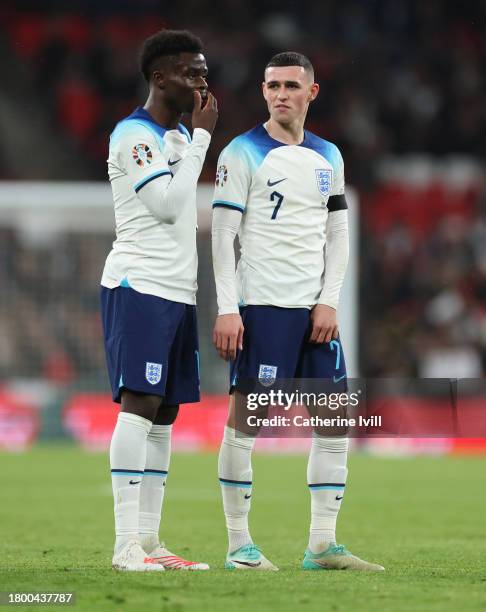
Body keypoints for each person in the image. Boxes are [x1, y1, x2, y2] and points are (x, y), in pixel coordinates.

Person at [211, 52, 384, 571]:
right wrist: (227, 308)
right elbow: (223, 235)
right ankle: (239, 546)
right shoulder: (240, 152)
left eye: (290, 85)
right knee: (247, 424)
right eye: (272, 85)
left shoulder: (329, 154)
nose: (280, 94)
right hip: (263, 307)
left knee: (334, 422)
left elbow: (338, 234)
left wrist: (328, 299)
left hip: (315, 312)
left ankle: (321, 545)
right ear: (263, 91)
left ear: (311, 92)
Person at [100, 29, 217, 572]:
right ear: (159, 77)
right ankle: (125, 545)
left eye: (203, 71)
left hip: (177, 290)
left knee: (166, 414)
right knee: (140, 406)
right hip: (139, 285)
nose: (201, 81)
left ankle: (150, 542)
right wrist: (202, 142)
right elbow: (170, 207)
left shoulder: (174, 140)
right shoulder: (136, 135)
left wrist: (191, 142)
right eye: (191, 72)